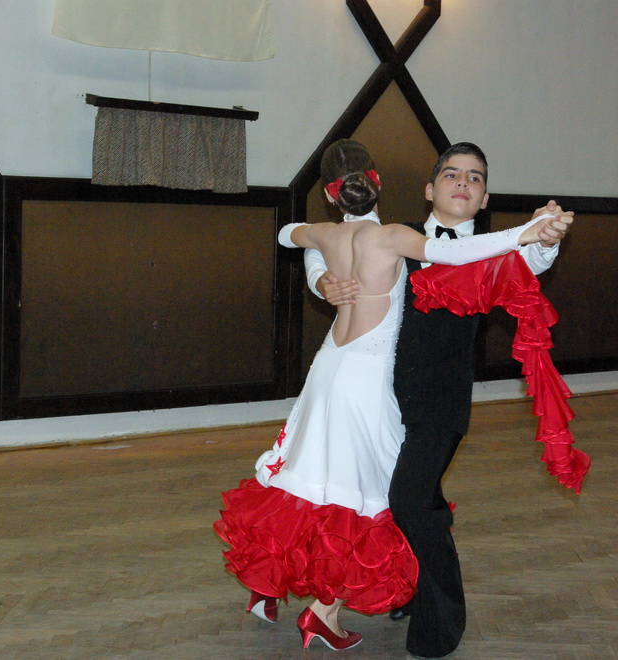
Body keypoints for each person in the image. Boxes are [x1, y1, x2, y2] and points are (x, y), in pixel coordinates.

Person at [215, 139, 570, 652]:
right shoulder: (396, 236)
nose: (463, 183)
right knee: (368, 496)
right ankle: (372, 597)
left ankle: (436, 627)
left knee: (401, 499)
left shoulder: (491, 251)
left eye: (474, 177)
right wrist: (322, 283)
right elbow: (321, 246)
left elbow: (531, 260)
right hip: (379, 394)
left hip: (435, 405)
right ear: (429, 189)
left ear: (485, 197)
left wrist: (543, 237)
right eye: (452, 174)